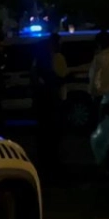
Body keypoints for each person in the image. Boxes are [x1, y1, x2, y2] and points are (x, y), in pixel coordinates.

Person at [32, 34, 69, 171]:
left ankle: (46, 162)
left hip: (43, 105)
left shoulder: (37, 64)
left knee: (44, 136)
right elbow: (59, 79)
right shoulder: (52, 61)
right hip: (51, 104)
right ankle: (52, 163)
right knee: (53, 135)